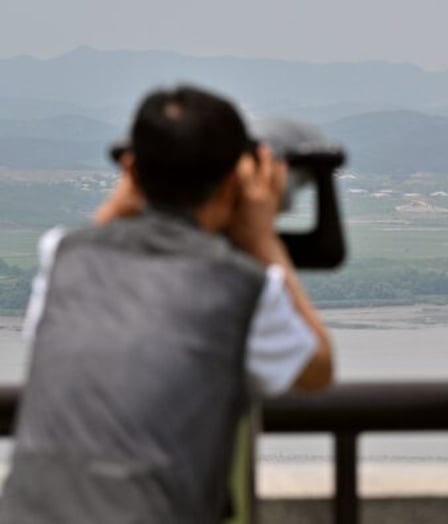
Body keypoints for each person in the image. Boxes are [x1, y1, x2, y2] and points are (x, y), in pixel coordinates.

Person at [0, 85, 333, 523]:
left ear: (131, 170)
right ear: (236, 181)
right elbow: (317, 367)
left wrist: (123, 199)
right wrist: (262, 238)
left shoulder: (62, 256)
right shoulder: (240, 287)